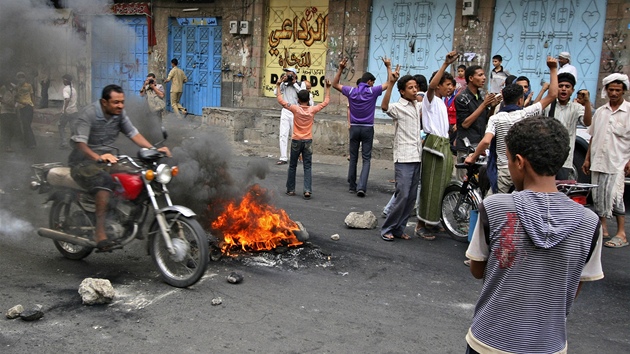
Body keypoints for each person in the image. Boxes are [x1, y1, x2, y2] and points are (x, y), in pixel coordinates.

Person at [465, 116, 603, 354]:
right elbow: (574, 285)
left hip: (490, 341)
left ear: (519, 162)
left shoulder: (495, 207)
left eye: (507, 160)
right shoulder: (589, 222)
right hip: (548, 344)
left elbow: (478, 270)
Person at [68, 85, 171, 251]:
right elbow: (80, 144)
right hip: (83, 162)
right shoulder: (89, 114)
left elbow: (133, 134)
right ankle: (100, 233)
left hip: (108, 160)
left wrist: (153, 149)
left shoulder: (119, 114)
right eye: (116, 102)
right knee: (105, 183)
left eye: (122, 102)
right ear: (104, 102)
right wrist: (98, 157)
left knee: (141, 178)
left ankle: (130, 223)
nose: (120, 106)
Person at [465, 56, 558, 193]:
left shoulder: (496, 119)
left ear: (503, 99)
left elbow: (485, 141)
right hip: (523, 171)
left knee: (490, 208)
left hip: (504, 171)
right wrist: (553, 69)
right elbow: (552, 95)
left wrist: (472, 157)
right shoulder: (526, 113)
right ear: (520, 101)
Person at [582, 73, 630, 248]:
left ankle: (621, 233)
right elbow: (593, 137)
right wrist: (587, 159)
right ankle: (603, 228)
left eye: (618, 90)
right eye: (611, 90)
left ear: (623, 91)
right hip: (598, 160)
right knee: (599, 195)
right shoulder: (601, 112)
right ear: (606, 90)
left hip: (618, 161)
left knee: (616, 196)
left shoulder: (629, 111)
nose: (614, 93)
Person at [333, 57, 392, 197]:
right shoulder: (373, 91)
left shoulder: (351, 91)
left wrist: (341, 69)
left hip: (354, 127)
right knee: (366, 159)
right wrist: (388, 67)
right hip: (367, 128)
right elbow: (390, 83)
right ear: (369, 82)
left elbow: (335, 84)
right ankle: (362, 187)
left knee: (353, 157)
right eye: (373, 82)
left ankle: (352, 186)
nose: (373, 84)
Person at [415, 51, 458, 239]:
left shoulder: (442, 102)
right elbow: (431, 85)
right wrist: (445, 64)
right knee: (429, 184)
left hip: (444, 144)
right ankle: (420, 224)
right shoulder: (430, 98)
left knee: (441, 184)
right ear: (439, 84)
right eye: (447, 84)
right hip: (434, 145)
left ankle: (433, 221)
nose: (450, 88)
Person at [380, 67, 422, 241]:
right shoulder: (398, 107)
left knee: (411, 197)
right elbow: (384, 106)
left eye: (416, 87)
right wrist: (391, 83)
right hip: (404, 157)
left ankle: (399, 228)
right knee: (402, 194)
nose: (414, 90)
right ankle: (387, 228)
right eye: (410, 88)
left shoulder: (417, 105)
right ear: (402, 91)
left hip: (417, 155)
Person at [277, 79, 331, 199]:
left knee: (292, 166)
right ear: (309, 99)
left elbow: (281, 100)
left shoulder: (295, 109)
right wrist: (327, 88)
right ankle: (307, 190)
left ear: (298, 99)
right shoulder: (312, 110)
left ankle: (291, 189)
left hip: (296, 140)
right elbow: (326, 101)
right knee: (307, 166)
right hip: (308, 141)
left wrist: (277, 86)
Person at [543, 73, 592, 179]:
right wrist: (544, 91)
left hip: (565, 161)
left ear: (572, 90)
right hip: (546, 158)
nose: (563, 89)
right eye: (560, 86)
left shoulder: (576, 108)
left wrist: (587, 102)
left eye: (567, 86)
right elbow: (534, 111)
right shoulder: (548, 106)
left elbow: (587, 122)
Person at [454, 65, 497, 181]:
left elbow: (487, 119)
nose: (484, 78)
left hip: (480, 145)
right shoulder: (462, 98)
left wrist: (492, 107)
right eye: (480, 75)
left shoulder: (481, 96)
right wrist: (484, 105)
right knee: (463, 181)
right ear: (471, 78)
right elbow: (465, 124)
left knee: (479, 181)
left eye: (484, 75)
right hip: (466, 146)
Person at [274, 67, 305, 165]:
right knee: (283, 134)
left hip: (296, 111)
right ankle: (283, 157)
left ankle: (295, 156)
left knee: (295, 136)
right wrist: (280, 83)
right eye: (286, 74)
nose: (288, 75)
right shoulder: (285, 84)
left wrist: (294, 83)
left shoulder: (301, 84)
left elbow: (303, 94)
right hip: (286, 110)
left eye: (290, 74)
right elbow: (276, 93)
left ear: (295, 75)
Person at [15, 72, 36, 148]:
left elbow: (32, 95)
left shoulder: (29, 86)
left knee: (27, 124)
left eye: (22, 77)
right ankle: (28, 142)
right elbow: (16, 97)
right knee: (24, 125)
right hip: (21, 107)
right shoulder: (17, 87)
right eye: (19, 77)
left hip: (28, 106)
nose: (21, 79)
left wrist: (34, 106)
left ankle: (31, 143)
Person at [58, 74, 78, 149]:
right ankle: (73, 144)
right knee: (72, 128)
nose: (62, 81)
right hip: (74, 111)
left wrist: (64, 109)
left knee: (61, 126)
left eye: (63, 80)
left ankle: (64, 142)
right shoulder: (74, 89)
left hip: (67, 112)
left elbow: (67, 99)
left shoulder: (66, 89)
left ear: (65, 81)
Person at [0, 79, 18, 152]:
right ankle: (7, 145)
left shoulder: (14, 88)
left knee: (12, 130)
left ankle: (6, 143)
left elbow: (17, 98)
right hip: (5, 111)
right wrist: (6, 103)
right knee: (6, 129)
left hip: (13, 112)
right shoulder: (3, 89)